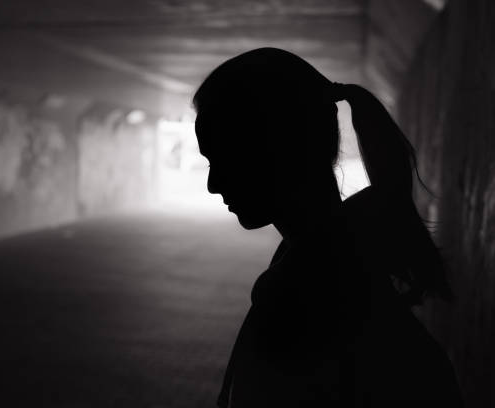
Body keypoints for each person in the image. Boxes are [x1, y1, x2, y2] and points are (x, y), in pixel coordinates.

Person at [193, 48, 463, 407]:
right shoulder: (344, 260)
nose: (213, 183)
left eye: (224, 159)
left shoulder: (304, 300)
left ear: (277, 150)